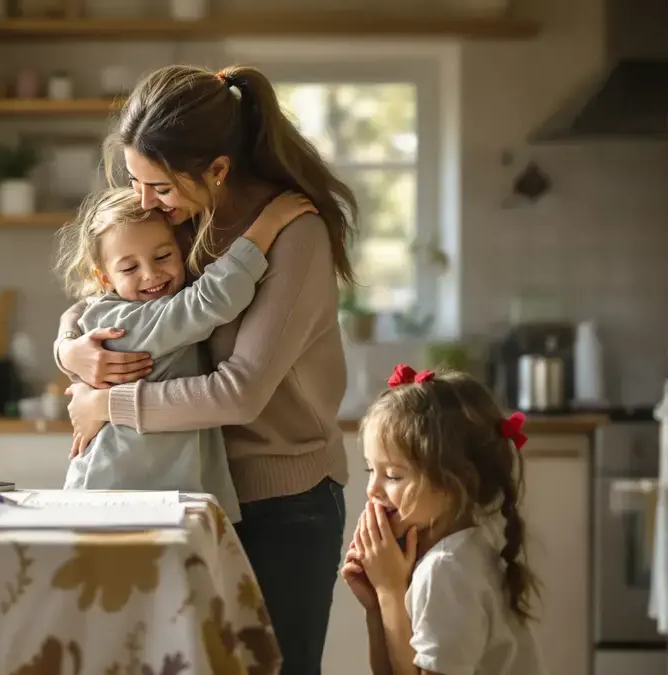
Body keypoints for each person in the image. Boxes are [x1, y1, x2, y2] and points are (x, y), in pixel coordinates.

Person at [53, 64, 358, 675]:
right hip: (198, 493)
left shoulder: (294, 236)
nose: (147, 204)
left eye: (158, 188)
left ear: (217, 169)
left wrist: (103, 404)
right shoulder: (185, 217)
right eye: (139, 184)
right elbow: (106, 299)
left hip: (283, 501)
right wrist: (71, 350)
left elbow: (239, 393)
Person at [55, 186, 315, 522]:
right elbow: (211, 300)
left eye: (162, 257)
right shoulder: (121, 322)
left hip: (148, 494)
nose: (150, 274)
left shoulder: (143, 308)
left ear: (181, 251)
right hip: (117, 495)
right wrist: (269, 223)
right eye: (130, 268)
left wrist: (64, 348)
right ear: (105, 279)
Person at [343, 365, 546, 675]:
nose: (373, 490)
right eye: (372, 471)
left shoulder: (447, 570)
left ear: (453, 485)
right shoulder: (449, 555)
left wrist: (390, 591)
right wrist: (377, 605)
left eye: (394, 475)